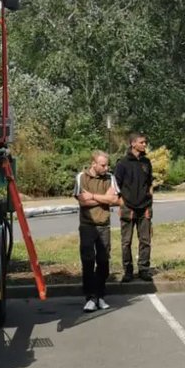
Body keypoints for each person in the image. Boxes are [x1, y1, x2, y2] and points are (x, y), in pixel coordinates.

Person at [74, 150, 120, 312]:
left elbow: (115, 200)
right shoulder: (82, 177)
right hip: (87, 225)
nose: (106, 167)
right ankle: (91, 297)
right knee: (88, 261)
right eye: (103, 165)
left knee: (103, 261)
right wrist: (103, 198)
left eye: (107, 164)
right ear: (93, 164)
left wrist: (92, 196)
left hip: (104, 225)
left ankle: (100, 295)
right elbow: (82, 202)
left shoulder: (110, 178)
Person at [114, 132, 154, 282]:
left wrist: (150, 200)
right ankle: (128, 271)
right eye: (142, 142)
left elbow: (150, 183)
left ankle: (144, 269)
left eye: (145, 142)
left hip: (145, 207)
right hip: (128, 207)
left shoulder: (146, 162)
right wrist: (121, 202)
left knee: (145, 240)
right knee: (126, 241)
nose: (145, 145)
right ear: (133, 144)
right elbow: (116, 185)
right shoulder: (122, 163)